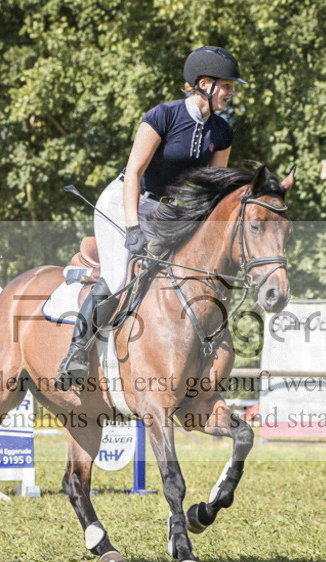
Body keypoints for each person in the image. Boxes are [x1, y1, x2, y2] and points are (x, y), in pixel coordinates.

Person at [56, 46, 245, 387]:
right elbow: (134, 172)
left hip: (170, 211)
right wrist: (131, 227)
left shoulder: (222, 133)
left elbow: (211, 192)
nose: (232, 93)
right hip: (126, 201)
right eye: (227, 85)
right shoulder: (163, 116)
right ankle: (75, 352)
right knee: (117, 278)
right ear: (204, 83)